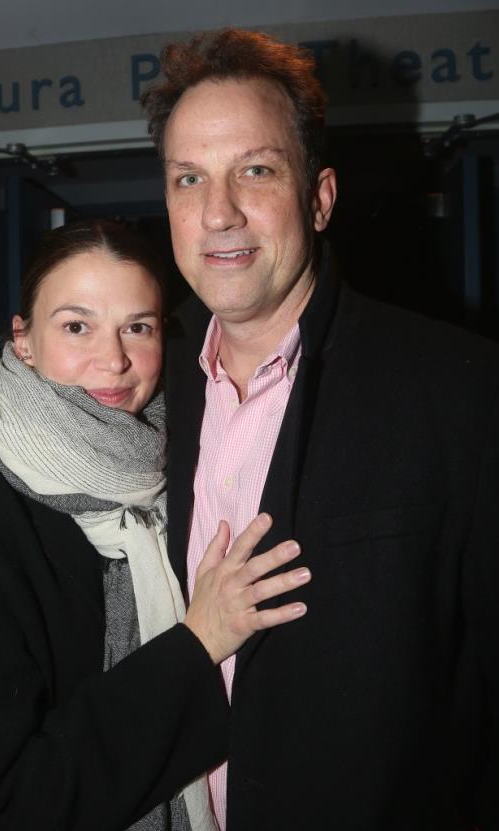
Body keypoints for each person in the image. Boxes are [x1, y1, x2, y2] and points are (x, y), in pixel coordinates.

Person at [140, 29, 499, 831]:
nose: (219, 211)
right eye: (189, 177)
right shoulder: (143, 390)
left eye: (256, 171)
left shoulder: (462, 391)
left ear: (321, 196)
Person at [0, 219, 312, 830]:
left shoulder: (186, 458)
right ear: (23, 340)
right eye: (76, 326)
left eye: (137, 327)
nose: (114, 359)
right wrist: (198, 644)